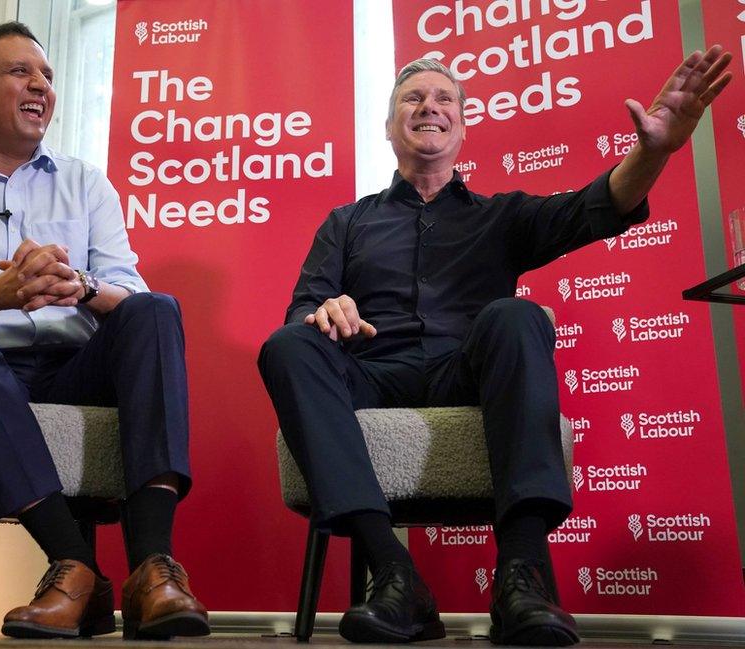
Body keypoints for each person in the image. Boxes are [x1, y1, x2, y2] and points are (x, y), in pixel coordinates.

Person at [259, 48, 731, 645]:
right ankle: (396, 573)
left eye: (444, 98)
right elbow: (305, 305)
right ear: (388, 126)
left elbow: (598, 206)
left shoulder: (502, 215)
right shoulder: (346, 223)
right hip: (372, 375)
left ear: (462, 125)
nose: (429, 105)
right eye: (413, 97)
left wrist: (654, 149)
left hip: (469, 373)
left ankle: (521, 575)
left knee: (516, 316)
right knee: (289, 346)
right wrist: (321, 312)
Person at [0, 22, 209, 641]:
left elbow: (129, 291)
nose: (41, 86)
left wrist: (80, 287)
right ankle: (74, 564)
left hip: (75, 366)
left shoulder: (85, 181)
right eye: (19, 72)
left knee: (155, 309)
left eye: (49, 76)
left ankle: (152, 570)